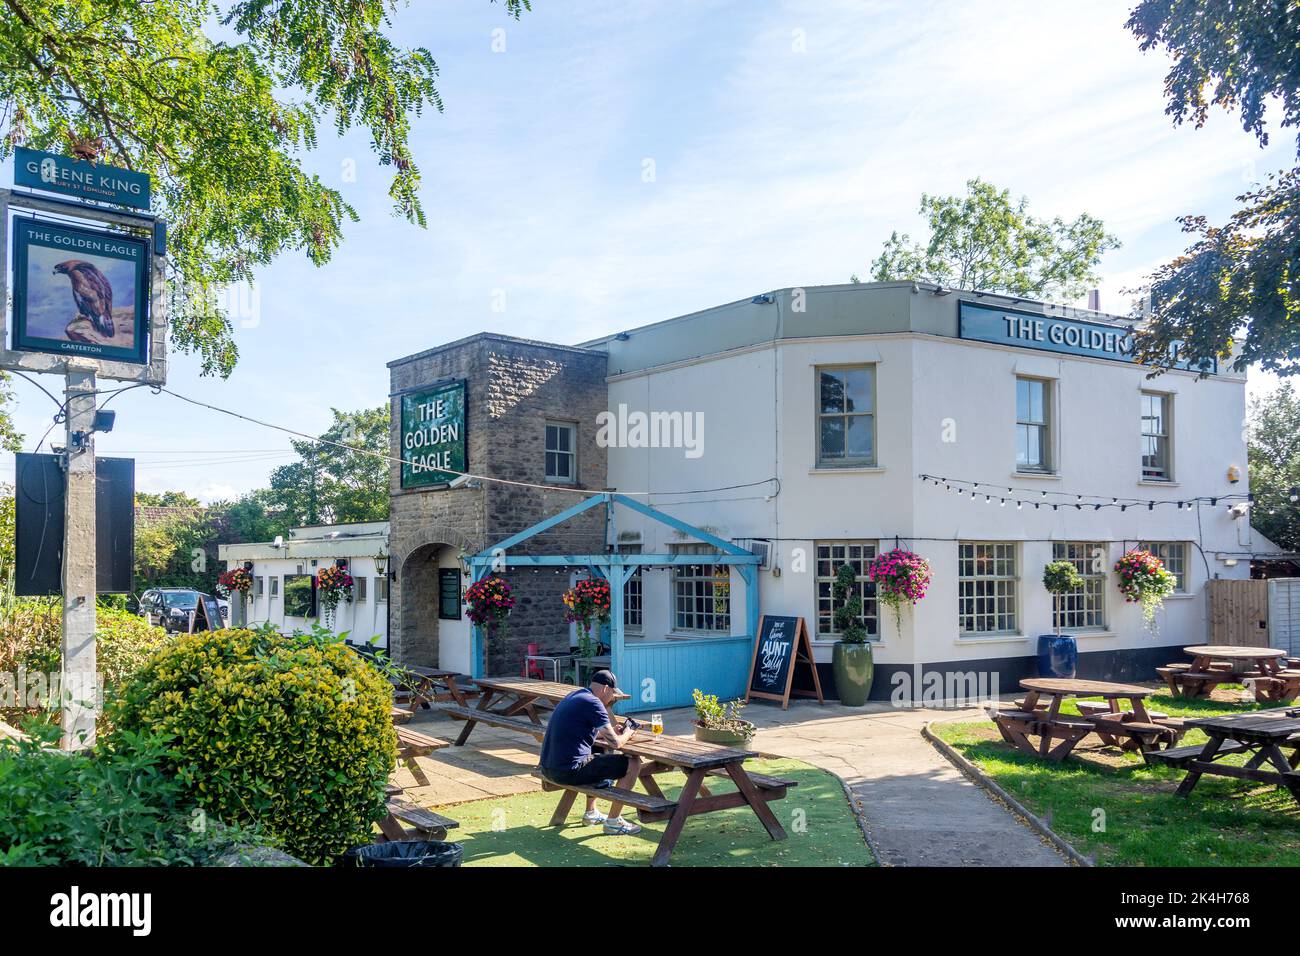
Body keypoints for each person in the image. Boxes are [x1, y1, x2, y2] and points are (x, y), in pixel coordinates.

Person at [538, 670, 644, 835]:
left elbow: (581, 730)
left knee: (597, 749)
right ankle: (613, 822)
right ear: (605, 689)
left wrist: (608, 731)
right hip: (567, 772)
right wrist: (629, 731)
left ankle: (591, 813)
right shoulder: (595, 703)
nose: (612, 698)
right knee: (633, 763)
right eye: (613, 694)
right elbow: (616, 743)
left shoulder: (576, 695)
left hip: (548, 768)